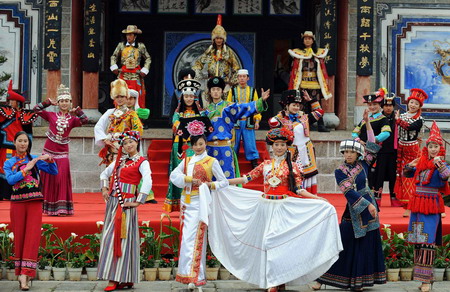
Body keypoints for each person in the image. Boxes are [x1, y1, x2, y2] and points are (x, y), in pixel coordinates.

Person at [209, 128, 342, 292]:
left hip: (283, 207)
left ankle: (277, 280)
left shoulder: (292, 167)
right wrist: (220, 184)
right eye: (276, 144)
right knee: (265, 243)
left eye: (282, 144)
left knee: (275, 242)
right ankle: (274, 280)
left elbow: (299, 189)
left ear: (287, 147)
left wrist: (317, 199)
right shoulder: (265, 165)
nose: (279, 147)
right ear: (272, 146)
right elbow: (246, 178)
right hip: (264, 207)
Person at [314, 109, 386, 291]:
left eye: (351, 152)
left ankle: (359, 280)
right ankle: (322, 278)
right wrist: (368, 204)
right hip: (355, 210)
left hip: (370, 208)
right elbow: (349, 192)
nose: (348, 155)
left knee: (367, 244)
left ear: (358, 154)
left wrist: (367, 122)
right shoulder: (340, 171)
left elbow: (372, 142)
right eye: (345, 152)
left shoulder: (364, 163)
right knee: (344, 243)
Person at [169, 125, 229, 291]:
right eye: (195, 144)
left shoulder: (211, 161)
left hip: (201, 202)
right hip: (186, 203)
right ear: (191, 146)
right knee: (187, 239)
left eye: (201, 144)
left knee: (197, 239)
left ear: (206, 144)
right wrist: (189, 179)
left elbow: (224, 182)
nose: (198, 147)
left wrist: (210, 184)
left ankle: (196, 277)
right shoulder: (187, 160)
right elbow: (174, 176)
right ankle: (190, 276)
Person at [97, 130, 152, 291]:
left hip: (126, 204)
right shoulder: (119, 161)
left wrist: (139, 201)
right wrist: (105, 189)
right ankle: (121, 276)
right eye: (125, 143)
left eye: (131, 142)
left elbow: (148, 180)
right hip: (113, 202)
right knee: (111, 236)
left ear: (137, 143)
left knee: (122, 239)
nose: (128, 145)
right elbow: (104, 174)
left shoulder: (142, 162)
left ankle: (118, 277)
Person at [4, 131, 58, 290]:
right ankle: (20, 273)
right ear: (14, 142)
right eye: (20, 141)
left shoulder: (34, 159)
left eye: (25, 141)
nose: (22, 144)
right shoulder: (9, 162)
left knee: (32, 237)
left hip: (34, 201)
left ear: (29, 144)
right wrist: (26, 169)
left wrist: (51, 160)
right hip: (17, 203)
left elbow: (53, 171)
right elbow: (10, 180)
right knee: (19, 237)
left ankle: (26, 275)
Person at [403, 121, 449, 292]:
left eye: (436, 146)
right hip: (417, 206)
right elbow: (406, 174)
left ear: (440, 148)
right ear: (427, 147)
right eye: (431, 146)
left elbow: (446, 176)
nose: (433, 149)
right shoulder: (421, 163)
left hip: (430, 206)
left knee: (428, 242)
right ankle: (424, 279)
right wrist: (410, 165)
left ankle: (426, 282)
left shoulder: (441, 164)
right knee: (418, 242)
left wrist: (439, 163)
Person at [33, 84, 88, 216]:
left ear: (70, 103)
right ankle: (46, 208)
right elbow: (35, 109)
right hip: (48, 151)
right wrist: (47, 102)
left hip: (62, 153)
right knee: (47, 179)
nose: (64, 103)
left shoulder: (73, 119)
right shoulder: (51, 115)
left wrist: (78, 111)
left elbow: (85, 120)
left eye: (67, 101)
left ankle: (62, 208)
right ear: (58, 103)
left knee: (60, 178)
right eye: (62, 101)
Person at [204, 76, 269, 179]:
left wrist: (260, 101)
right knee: (210, 178)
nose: (215, 92)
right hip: (209, 149)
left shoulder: (229, 107)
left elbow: (244, 108)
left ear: (222, 92)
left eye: (218, 89)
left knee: (227, 177)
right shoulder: (205, 111)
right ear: (210, 92)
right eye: (213, 89)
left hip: (225, 147)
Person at [164, 77, 207, 212]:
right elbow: (176, 126)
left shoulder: (200, 113)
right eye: (186, 96)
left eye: (191, 96)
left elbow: (206, 124)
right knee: (181, 173)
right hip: (181, 147)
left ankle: (196, 201)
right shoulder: (178, 114)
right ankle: (178, 202)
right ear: (182, 98)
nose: (188, 99)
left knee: (197, 172)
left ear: (195, 98)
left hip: (197, 147)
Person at [269, 89, 323, 194]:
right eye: (294, 105)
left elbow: (319, 112)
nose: (296, 108)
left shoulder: (304, 117)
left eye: (298, 106)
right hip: (291, 152)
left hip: (306, 151)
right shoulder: (282, 119)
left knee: (307, 175)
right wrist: (282, 114)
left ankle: (308, 197)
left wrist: (311, 101)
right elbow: (272, 123)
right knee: (291, 174)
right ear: (287, 105)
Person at [0, 80, 37, 200]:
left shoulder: (25, 115)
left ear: (19, 102)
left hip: (19, 147)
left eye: (13, 101)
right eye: (10, 100)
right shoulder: (4, 112)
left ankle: (16, 190)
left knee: (18, 167)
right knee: (4, 167)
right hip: (6, 146)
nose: (11, 103)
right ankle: (4, 193)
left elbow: (28, 133)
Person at [288, 31, 331, 132]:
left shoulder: (318, 53)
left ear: (313, 40)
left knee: (316, 104)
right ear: (303, 40)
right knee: (303, 105)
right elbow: (295, 70)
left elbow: (322, 70)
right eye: (305, 38)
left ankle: (320, 125)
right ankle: (306, 124)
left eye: (309, 38)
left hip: (315, 84)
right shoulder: (298, 53)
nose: (307, 40)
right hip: (302, 83)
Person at [94, 79, 143, 166]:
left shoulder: (132, 114)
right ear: (114, 98)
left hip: (126, 149)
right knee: (111, 176)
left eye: (122, 96)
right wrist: (104, 139)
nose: (119, 99)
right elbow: (98, 126)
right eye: (117, 97)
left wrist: (128, 142)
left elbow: (138, 130)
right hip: (111, 150)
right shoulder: (110, 112)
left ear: (126, 97)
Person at [352, 88, 391, 195]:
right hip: (362, 151)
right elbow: (355, 132)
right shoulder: (365, 119)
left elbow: (386, 133)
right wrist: (358, 140)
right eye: (369, 105)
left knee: (373, 175)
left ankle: (372, 198)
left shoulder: (383, 119)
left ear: (380, 105)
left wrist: (374, 141)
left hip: (375, 152)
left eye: (375, 104)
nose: (372, 107)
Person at [394, 88, 426, 217]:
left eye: (416, 104)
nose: (413, 105)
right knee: (402, 175)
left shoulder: (419, 119)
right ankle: (406, 204)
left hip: (412, 148)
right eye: (412, 102)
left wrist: (397, 120)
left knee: (410, 175)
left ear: (419, 107)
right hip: (401, 147)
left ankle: (412, 205)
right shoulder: (402, 115)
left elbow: (410, 127)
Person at [192, 15, 240, 92]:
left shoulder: (228, 51)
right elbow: (198, 64)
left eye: (221, 38)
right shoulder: (209, 51)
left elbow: (236, 68)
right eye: (217, 38)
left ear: (223, 39)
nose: (219, 40)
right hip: (211, 83)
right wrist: (197, 74)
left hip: (225, 84)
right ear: (213, 39)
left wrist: (231, 82)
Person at [226, 69, 261, 169]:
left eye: (244, 76)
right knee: (234, 143)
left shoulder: (253, 91)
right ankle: (232, 161)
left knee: (250, 143)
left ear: (248, 78)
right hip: (235, 122)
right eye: (240, 77)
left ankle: (254, 162)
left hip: (248, 120)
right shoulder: (232, 91)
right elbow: (228, 105)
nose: (242, 78)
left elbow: (256, 106)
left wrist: (257, 120)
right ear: (237, 78)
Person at [110, 25, 151, 108]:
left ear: (135, 36)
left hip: (136, 76)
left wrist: (145, 69)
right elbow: (113, 56)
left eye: (130, 34)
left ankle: (135, 117)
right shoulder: (121, 45)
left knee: (136, 96)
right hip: (123, 74)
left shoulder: (141, 46)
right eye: (127, 35)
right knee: (121, 94)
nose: (128, 36)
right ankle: (120, 115)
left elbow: (148, 58)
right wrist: (114, 67)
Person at [373, 94, 399, 206]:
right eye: (385, 105)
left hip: (393, 152)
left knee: (393, 175)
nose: (388, 108)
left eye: (390, 106)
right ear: (382, 107)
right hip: (381, 151)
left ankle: (394, 199)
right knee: (379, 175)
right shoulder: (378, 118)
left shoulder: (397, 119)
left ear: (393, 107)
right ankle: (377, 200)